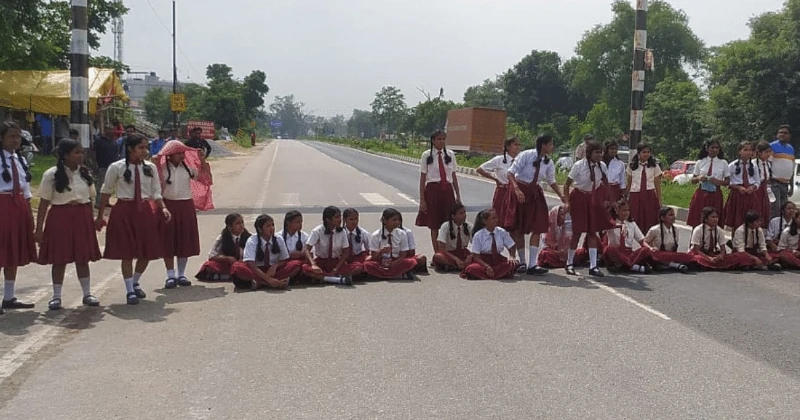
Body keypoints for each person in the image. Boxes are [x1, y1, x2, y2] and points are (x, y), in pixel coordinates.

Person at [95, 134, 172, 305]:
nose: (145, 151)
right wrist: (100, 216)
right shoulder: (116, 167)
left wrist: (163, 208)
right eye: (141, 148)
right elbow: (106, 191)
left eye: (146, 147)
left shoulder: (150, 168)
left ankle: (135, 281)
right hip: (124, 209)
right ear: (130, 149)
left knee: (147, 251)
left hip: (144, 211)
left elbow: (156, 192)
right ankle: (129, 290)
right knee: (127, 252)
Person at [35, 139, 101, 309]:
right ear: (65, 155)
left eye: (82, 152)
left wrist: (93, 219)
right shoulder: (52, 174)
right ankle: (56, 296)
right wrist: (39, 228)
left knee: (82, 257)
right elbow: (43, 203)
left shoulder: (85, 173)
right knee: (59, 258)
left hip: (82, 216)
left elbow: (91, 198)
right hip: (60, 217)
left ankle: (87, 294)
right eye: (76, 152)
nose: (81, 155)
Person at [506, 134, 567, 275]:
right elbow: (510, 173)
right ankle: (522, 262)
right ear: (543, 145)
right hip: (520, 190)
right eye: (551, 144)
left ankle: (532, 265)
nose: (552, 147)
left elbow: (551, 181)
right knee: (519, 227)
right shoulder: (526, 155)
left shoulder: (548, 163)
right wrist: (516, 189)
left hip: (535, 193)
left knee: (538, 226)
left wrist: (561, 195)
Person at [154, 140, 210, 289]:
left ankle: (182, 274)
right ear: (170, 155)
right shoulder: (161, 168)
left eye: (182, 152)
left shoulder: (188, 168)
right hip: (168, 205)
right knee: (168, 241)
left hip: (186, 205)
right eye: (178, 153)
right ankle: (170, 275)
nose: (181, 155)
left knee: (184, 240)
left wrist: (202, 160)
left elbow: (205, 178)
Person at [0, 122, 37, 312]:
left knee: (13, 251)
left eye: (17, 136)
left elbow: (26, 188)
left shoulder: (20, 159)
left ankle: (9, 297)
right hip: (2, 205)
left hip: (19, 205)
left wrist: (29, 213)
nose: (15, 140)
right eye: (11, 136)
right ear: (2, 138)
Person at [563, 140, 614, 277]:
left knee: (592, 231)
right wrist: (567, 202)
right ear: (589, 153)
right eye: (596, 152)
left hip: (593, 197)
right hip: (579, 196)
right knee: (577, 231)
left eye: (600, 152)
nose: (599, 155)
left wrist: (608, 199)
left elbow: (605, 183)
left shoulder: (602, 166)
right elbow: (567, 185)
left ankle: (593, 266)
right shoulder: (579, 166)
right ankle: (569, 263)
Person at [415, 130, 461, 251]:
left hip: (447, 191)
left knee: (448, 223)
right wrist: (422, 200)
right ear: (433, 141)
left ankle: (448, 252)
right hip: (433, 191)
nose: (441, 141)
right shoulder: (426, 155)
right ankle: (437, 254)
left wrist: (458, 196)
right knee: (434, 224)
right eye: (439, 139)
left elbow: (454, 176)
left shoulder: (450, 155)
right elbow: (423, 177)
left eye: (443, 139)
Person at [230, 214, 300, 290]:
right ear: (260, 229)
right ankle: (270, 283)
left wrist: (275, 266)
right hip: (256, 271)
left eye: (273, 225)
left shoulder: (278, 238)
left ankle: (260, 284)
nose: (272, 228)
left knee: (295, 264)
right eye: (268, 226)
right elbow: (251, 264)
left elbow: (285, 259)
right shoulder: (252, 240)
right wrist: (268, 280)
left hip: (274, 271)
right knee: (236, 267)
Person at [302, 206, 359, 285]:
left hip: (336, 262)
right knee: (304, 268)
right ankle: (337, 280)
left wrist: (336, 269)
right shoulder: (317, 231)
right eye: (336, 217)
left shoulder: (342, 231)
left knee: (358, 266)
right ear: (327, 219)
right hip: (321, 262)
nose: (340, 220)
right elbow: (307, 249)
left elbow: (346, 252)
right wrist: (313, 264)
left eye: (340, 217)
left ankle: (325, 278)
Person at [476, 136, 521, 237]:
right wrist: (495, 179)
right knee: (498, 220)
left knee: (515, 224)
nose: (517, 147)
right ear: (507, 146)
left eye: (519, 145)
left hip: (516, 193)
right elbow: (480, 169)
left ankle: (513, 250)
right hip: (503, 192)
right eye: (515, 145)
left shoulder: (521, 161)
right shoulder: (499, 160)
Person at [461, 209, 518, 280]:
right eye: (493, 218)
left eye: (496, 218)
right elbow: (476, 256)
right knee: (471, 269)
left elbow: (512, 245)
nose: (496, 220)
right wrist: (486, 266)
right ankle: (496, 273)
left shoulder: (501, 232)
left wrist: (512, 256)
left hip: (498, 260)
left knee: (512, 264)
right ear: (485, 221)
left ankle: (493, 273)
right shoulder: (478, 235)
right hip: (483, 261)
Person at [603, 199, 655, 274]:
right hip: (617, 253)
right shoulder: (612, 222)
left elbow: (641, 241)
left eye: (628, 210)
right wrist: (620, 226)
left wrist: (650, 248)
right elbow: (606, 226)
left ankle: (626, 265)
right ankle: (634, 267)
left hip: (629, 253)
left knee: (645, 250)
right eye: (624, 210)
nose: (627, 213)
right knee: (608, 249)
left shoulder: (631, 224)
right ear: (617, 211)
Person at [363, 208, 418, 280]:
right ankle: (398, 275)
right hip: (381, 262)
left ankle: (382, 276)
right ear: (385, 221)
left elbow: (403, 254)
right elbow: (374, 257)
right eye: (394, 220)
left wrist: (393, 263)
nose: (397, 222)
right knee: (367, 265)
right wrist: (381, 251)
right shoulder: (376, 235)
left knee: (411, 261)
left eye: (398, 220)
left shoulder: (402, 234)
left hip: (396, 261)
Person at [195, 213, 251, 282]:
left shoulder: (249, 237)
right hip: (228, 265)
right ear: (229, 227)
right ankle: (234, 276)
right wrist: (227, 258)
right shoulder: (222, 238)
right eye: (237, 223)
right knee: (208, 265)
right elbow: (212, 256)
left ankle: (223, 276)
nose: (241, 225)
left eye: (242, 222)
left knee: (242, 267)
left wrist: (245, 260)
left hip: (243, 264)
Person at [686, 139, 729, 227]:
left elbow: (728, 181)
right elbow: (693, 180)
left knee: (714, 219)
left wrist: (718, 181)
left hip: (715, 194)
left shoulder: (723, 163)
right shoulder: (700, 162)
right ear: (707, 148)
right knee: (699, 219)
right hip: (702, 193)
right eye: (712, 147)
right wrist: (699, 178)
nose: (715, 150)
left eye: (717, 148)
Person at [625, 143, 662, 233]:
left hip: (649, 195)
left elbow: (657, 184)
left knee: (650, 218)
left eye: (648, 152)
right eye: (644, 152)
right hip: (635, 195)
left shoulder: (654, 166)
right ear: (638, 153)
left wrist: (660, 200)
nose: (646, 154)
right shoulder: (632, 166)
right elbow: (629, 182)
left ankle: (648, 240)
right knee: (635, 218)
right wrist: (626, 196)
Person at [723, 141, 760, 230]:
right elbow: (727, 182)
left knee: (750, 220)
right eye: (745, 150)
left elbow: (757, 181)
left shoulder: (754, 166)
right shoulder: (732, 165)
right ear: (740, 151)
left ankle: (748, 241)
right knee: (737, 221)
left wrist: (753, 187)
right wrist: (738, 187)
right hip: (737, 195)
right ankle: (735, 241)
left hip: (750, 195)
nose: (748, 152)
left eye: (750, 150)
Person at [644, 207, 694, 272]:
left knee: (687, 256)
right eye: (670, 215)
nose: (673, 217)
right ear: (662, 218)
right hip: (658, 255)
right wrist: (650, 248)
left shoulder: (675, 230)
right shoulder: (654, 230)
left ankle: (669, 264)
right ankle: (675, 265)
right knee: (653, 255)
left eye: (673, 215)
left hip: (670, 255)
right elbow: (644, 242)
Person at [431, 203, 472, 272]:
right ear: (453, 216)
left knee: (479, 257)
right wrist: (455, 259)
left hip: (463, 253)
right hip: (449, 254)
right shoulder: (446, 226)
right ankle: (456, 265)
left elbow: (476, 246)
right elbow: (441, 248)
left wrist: (469, 257)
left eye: (464, 212)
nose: (464, 215)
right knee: (437, 256)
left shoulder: (469, 226)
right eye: (461, 213)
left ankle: (454, 266)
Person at [769, 125, 794, 219]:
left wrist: (791, 185)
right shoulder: (772, 146)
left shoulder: (791, 148)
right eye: (780, 132)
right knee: (775, 209)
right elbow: (768, 164)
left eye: (785, 133)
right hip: (775, 183)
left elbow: (791, 167)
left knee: (784, 210)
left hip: (785, 184)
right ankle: (772, 231)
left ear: (789, 135)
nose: (782, 134)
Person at [92, 125, 120, 208]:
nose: (112, 131)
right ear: (105, 130)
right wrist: (95, 164)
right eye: (110, 129)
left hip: (112, 167)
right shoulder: (99, 140)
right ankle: (98, 203)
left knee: (110, 185)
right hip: (102, 165)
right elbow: (93, 152)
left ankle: (106, 201)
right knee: (100, 184)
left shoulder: (114, 142)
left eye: (113, 130)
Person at [753, 141, 773, 228]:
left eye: (769, 152)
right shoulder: (753, 164)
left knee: (765, 211)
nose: (768, 154)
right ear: (759, 152)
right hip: (756, 190)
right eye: (766, 152)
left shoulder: (768, 164)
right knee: (756, 210)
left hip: (764, 190)